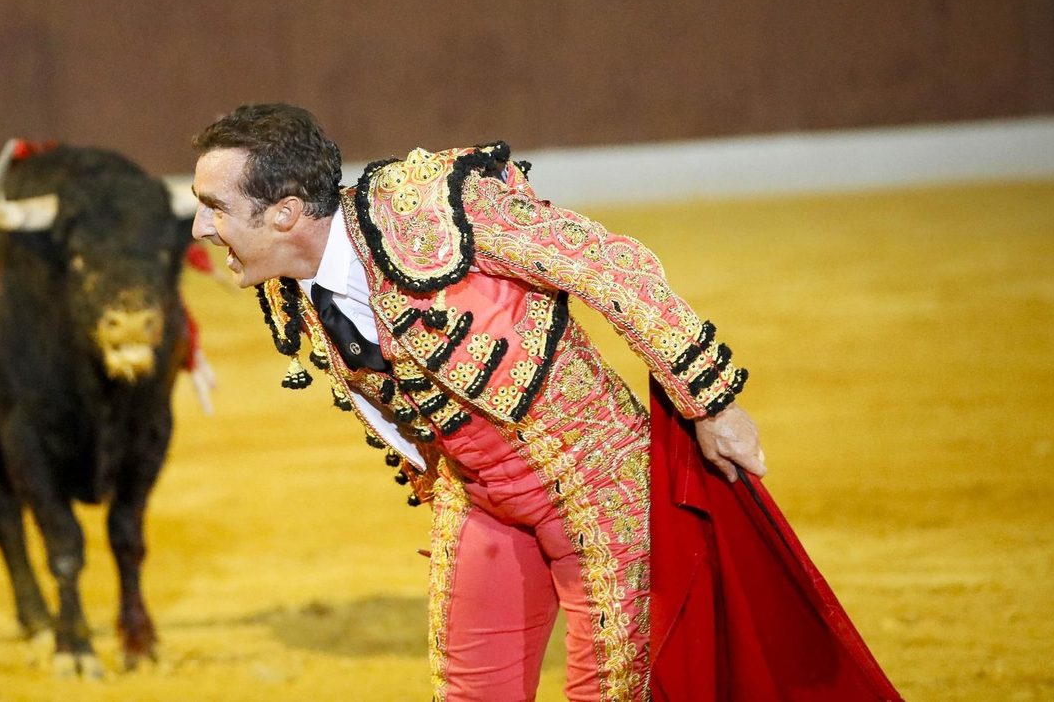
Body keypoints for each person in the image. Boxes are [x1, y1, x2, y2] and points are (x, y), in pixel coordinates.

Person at [187, 104, 902, 702]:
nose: (199, 229)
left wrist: (711, 400)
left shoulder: (437, 213)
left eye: (214, 208)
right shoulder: (293, 284)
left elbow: (605, 263)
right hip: (479, 502)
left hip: (597, 489)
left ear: (284, 213)